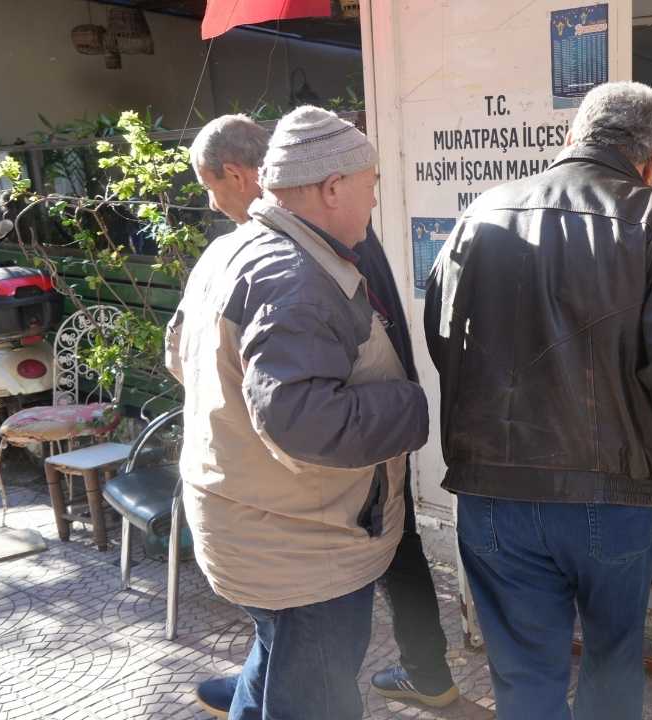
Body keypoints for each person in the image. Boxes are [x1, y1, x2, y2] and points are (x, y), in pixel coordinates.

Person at [424, 81, 652, 719]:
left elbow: (444, 340)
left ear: (571, 138)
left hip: (493, 491)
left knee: (523, 680)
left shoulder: (484, 211)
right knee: (611, 663)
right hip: (615, 498)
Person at [184, 114, 459, 718]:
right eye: (371, 183)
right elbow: (304, 422)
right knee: (314, 698)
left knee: (280, 653)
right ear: (332, 188)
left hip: (255, 520)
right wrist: (412, 402)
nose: (375, 198)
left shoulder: (233, 248)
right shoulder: (297, 277)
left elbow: (181, 357)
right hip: (299, 545)